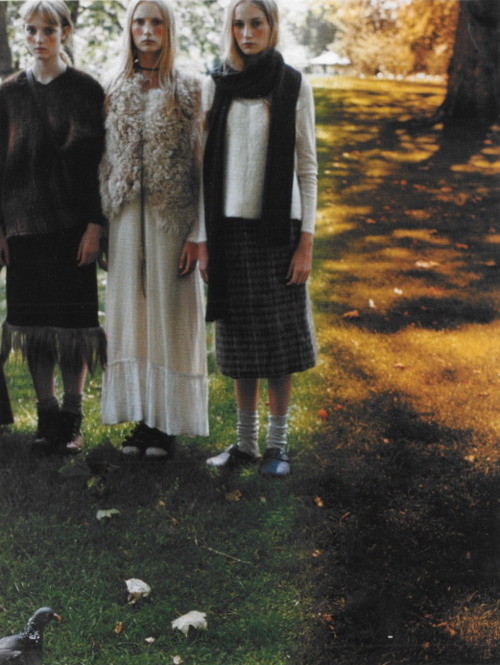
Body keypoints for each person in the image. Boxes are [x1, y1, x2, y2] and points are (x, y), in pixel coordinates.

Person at [201, 0, 317, 476]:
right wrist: (202, 237)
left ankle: (277, 446)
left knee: (278, 341)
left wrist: (306, 241)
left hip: (278, 229)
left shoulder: (292, 84)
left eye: (255, 23)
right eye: (238, 24)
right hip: (228, 229)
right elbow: (202, 165)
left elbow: (307, 166)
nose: (246, 33)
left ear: (272, 26)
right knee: (239, 342)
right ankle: (245, 444)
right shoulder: (216, 84)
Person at [100, 0, 208, 458]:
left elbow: (203, 166)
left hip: (172, 217)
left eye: (156, 22)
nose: (147, 30)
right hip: (125, 217)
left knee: (171, 315)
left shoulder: (191, 89)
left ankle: (167, 423)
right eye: (139, 22)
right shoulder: (112, 86)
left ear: (169, 29)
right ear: (129, 29)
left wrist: (198, 233)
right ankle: (142, 418)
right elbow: (104, 160)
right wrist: (104, 226)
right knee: (133, 316)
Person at [0, 0, 106, 454]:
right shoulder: (8, 93)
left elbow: (102, 165)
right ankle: (46, 417)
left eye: (48, 30)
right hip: (23, 227)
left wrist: (96, 225)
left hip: (73, 227)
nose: (38, 39)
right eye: (30, 30)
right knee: (35, 327)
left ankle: (72, 418)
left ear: (66, 31)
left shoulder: (86, 89)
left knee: (73, 329)